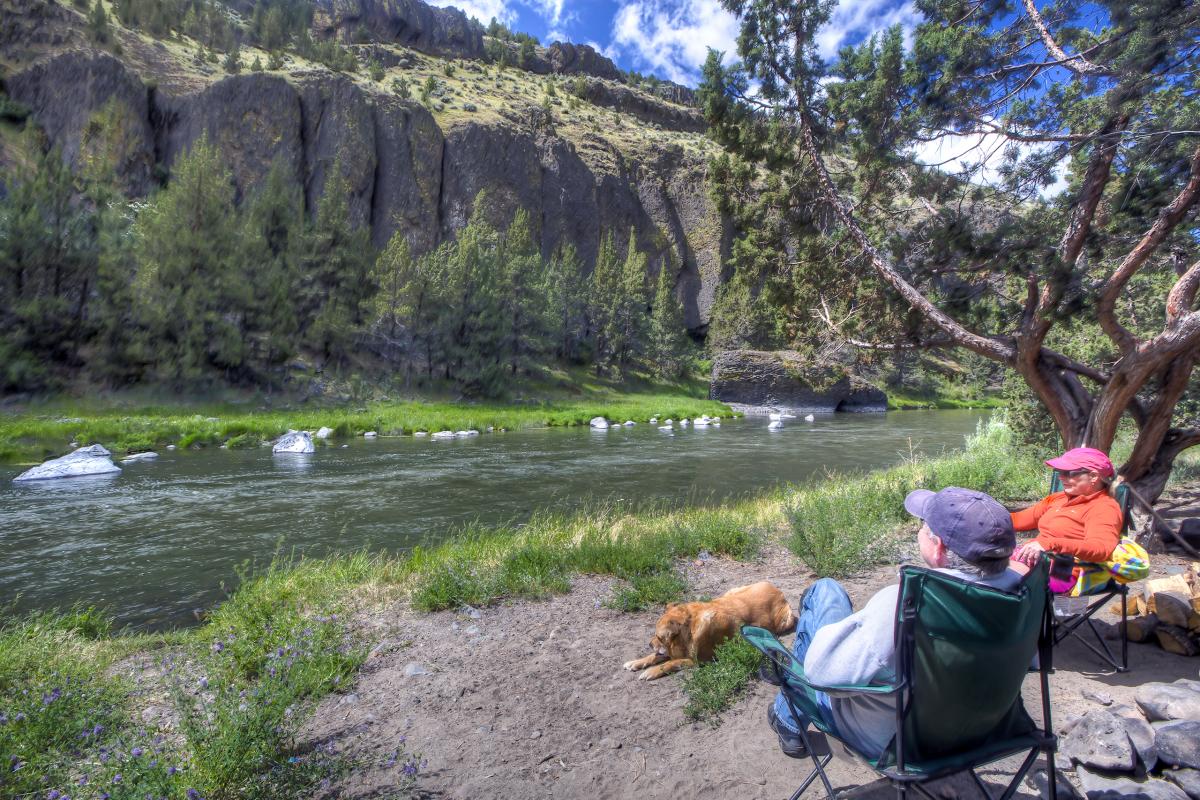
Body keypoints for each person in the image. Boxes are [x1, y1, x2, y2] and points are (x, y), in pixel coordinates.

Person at [766, 487, 1023, 760]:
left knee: (826, 592)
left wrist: (869, 620)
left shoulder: (904, 606)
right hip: (982, 734)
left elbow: (821, 676)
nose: (920, 531)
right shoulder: (1023, 596)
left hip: (893, 744)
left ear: (940, 548)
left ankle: (787, 718)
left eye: (924, 526)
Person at [1010, 447, 1122, 567]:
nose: (1061, 477)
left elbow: (1101, 548)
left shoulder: (1104, 507)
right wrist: (989, 516)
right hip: (1032, 560)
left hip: (1064, 571)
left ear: (1093, 476)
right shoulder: (1058, 498)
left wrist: (1050, 544)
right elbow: (1016, 520)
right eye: (1060, 471)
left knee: (994, 581)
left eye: (1068, 473)